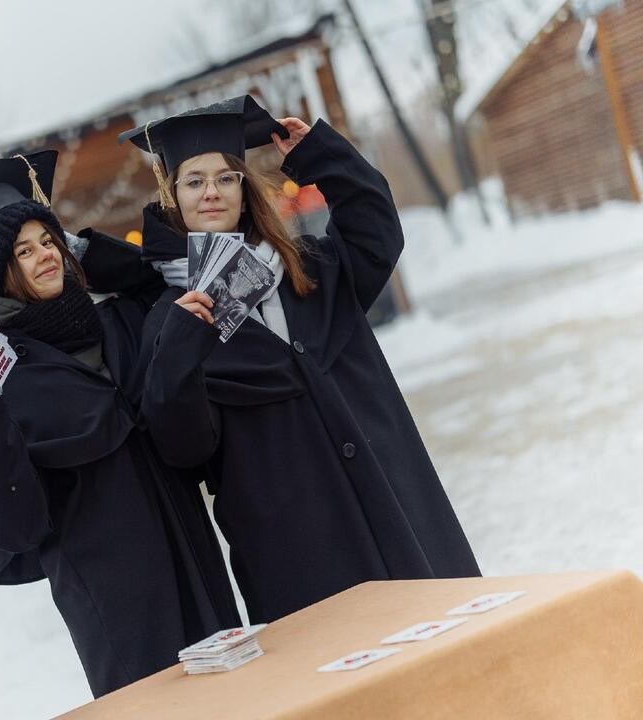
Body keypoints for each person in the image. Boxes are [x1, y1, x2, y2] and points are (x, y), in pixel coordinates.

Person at [120, 95, 481, 626]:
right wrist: (181, 346)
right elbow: (185, 448)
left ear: (244, 189)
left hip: (395, 508)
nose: (212, 192)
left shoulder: (312, 270)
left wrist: (321, 156)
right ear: (172, 198)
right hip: (299, 556)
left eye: (225, 178)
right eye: (194, 181)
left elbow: (376, 226)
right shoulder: (167, 320)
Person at [0, 150, 240, 697]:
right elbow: (17, 528)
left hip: (193, 559)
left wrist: (90, 250)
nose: (44, 256)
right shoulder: (3, 380)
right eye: (23, 251)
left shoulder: (114, 323)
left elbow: (157, 281)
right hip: (121, 609)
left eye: (48, 241)